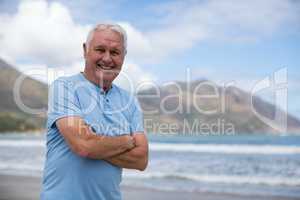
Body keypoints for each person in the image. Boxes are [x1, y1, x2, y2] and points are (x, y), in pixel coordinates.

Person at [40, 23, 148, 200]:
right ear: (85, 50)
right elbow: (84, 146)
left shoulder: (130, 101)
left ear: (124, 56)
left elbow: (141, 159)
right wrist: (127, 141)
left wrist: (96, 144)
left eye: (114, 52)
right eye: (100, 50)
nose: (107, 59)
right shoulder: (64, 87)